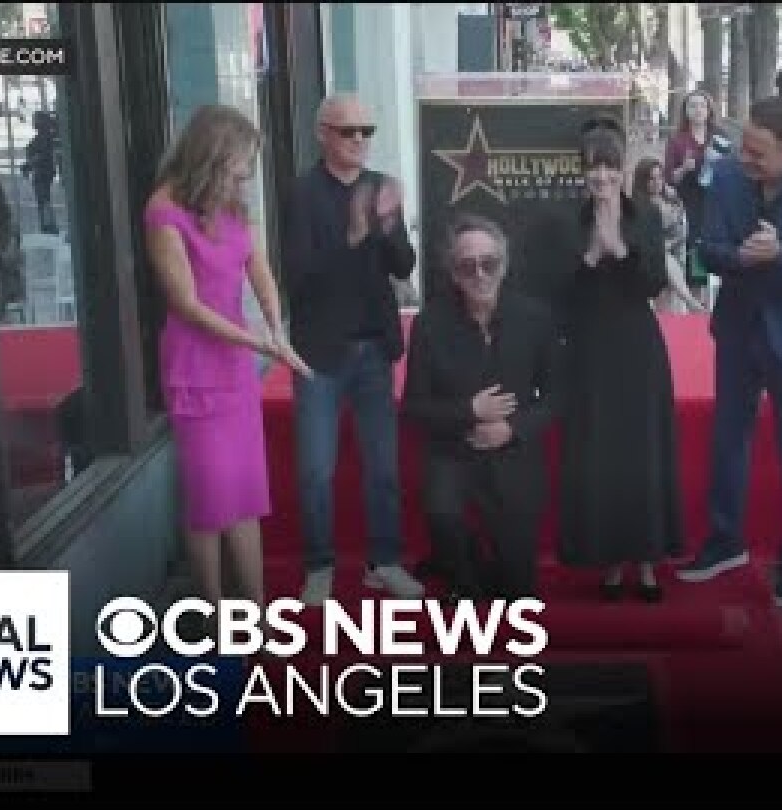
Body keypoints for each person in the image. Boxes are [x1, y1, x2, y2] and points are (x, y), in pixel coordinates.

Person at [144, 104, 310, 613]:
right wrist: (259, 343)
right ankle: (214, 615)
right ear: (214, 154)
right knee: (210, 504)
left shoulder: (232, 204)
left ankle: (256, 613)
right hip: (195, 368)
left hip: (236, 367)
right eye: (242, 160)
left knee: (245, 495)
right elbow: (187, 305)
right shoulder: (164, 211)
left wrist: (276, 329)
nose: (247, 172)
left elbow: (259, 269)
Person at [676, 97, 782, 606]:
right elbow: (706, 247)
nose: (745, 157)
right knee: (728, 439)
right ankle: (724, 542)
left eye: (758, 152)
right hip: (738, 327)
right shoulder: (725, 175)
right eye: (744, 146)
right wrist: (740, 257)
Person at [281, 94, 424, 605]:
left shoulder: (381, 186)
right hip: (319, 351)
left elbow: (404, 265)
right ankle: (319, 566)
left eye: (367, 131)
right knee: (316, 470)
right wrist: (353, 236)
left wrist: (384, 227)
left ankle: (384, 562)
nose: (360, 140)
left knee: (383, 468)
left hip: (373, 349)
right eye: (349, 131)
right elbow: (299, 278)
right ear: (322, 133)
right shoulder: (301, 193)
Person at [403, 214, 562, 599]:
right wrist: (469, 412)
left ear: (504, 266)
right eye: (467, 266)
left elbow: (559, 396)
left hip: (513, 455)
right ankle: (460, 567)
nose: (479, 274)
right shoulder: (430, 324)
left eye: (489, 263)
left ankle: (479, 564)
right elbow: (413, 409)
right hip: (454, 451)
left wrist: (512, 429)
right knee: (444, 517)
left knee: (517, 590)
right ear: (454, 274)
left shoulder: (535, 318)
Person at [559, 118, 684, 601]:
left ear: (622, 170)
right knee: (602, 454)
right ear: (583, 171)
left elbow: (653, 284)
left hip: (637, 346)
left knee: (642, 453)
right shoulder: (568, 221)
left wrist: (623, 252)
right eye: (594, 168)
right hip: (590, 348)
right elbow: (558, 292)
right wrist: (593, 254)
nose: (602, 177)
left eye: (610, 167)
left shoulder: (645, 216)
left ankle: (647, 563)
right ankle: (610, 562)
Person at [664, 91, 728, 309]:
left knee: (716, 244)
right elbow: (669, 178)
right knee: (695, 247)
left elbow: (732, 167)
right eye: (692, 106)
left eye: (702, 105)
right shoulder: (677, 140)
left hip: (716, 200)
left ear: (709, 110)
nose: (698, 110)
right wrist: (684, 168)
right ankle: (697, 300)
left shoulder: (720, 135)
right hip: (689, 201)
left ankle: (716, 300)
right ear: (685, 111)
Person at [631, 157, 703, 314]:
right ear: (643, 181)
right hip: (651, 257)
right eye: (651, 178)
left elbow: (682, 226)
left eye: (659, 177)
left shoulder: (671, 198)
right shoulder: (638, 206)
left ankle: (689, 303)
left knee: (695, 256)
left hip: (679, 251)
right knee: (662, 260)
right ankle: (689, 300)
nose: (657, 182)